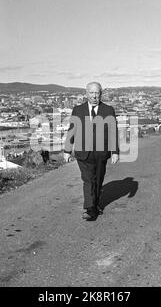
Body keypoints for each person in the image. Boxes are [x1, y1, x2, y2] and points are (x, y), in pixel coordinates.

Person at [63, 82, 119, 221]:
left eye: (97, 93)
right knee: (88, 179)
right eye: (92, 93)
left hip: (101, 153)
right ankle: (89, 209)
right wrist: (67, 150)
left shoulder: (108, 110)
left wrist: (115, 152)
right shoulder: (78, 110)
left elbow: (113, 132)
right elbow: (72, 130)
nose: (94, 96)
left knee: (98, 180)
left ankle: (95, 204)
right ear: (86, 93)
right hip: (83, 153)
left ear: (101, 94)